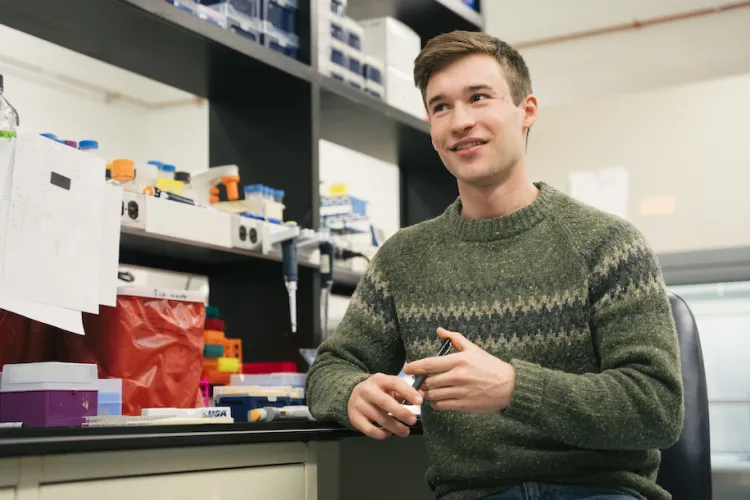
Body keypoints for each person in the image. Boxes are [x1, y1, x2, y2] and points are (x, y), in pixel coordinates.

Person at [305, 30, 684, 500]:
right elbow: (330, 370)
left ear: (526, 111)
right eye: (441, 107)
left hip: (599, 493)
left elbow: (657, 408)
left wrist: (513, 387)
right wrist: (354, 393)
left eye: (478, 98)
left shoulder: (608, 244)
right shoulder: (403, 259)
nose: (460, 121)